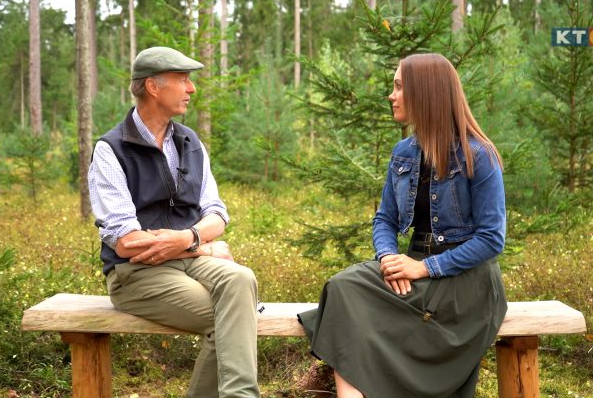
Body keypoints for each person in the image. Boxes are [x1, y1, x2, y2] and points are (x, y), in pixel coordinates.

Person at [298, 53, 508, 398]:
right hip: (410, 269)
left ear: (424, 93)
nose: (390, 95)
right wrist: (387, 259)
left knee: (349, 298)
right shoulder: (404, 152)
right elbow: (385, 219)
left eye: (398, 87)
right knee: (341, 287)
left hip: (465, 282)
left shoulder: (478, 155)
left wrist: (423, 267)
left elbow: (490, 239)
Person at [88, 46, 260, 398]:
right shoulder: (111, 149)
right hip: (135, 274)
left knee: (242, 278)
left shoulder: (190, 141)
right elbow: (127, 242)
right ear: (153, 87)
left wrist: (189, 240)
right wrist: (204, 246)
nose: (191, 89)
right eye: (183, 80)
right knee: (232, 319)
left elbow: (216, 213)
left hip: (190, 258)